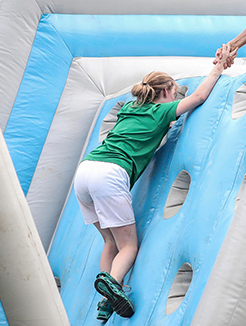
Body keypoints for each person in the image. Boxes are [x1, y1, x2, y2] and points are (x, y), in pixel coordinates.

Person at [73, 47, 229, 321]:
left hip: (85, 172)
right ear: (167, 92)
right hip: (110, 175)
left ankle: (106, 302)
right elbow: (199, 96)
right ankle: (113, 284)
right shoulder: (162, 112)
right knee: (129, 247)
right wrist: (218, 68)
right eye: (174, 92)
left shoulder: (130, 111)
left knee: (110, 242)